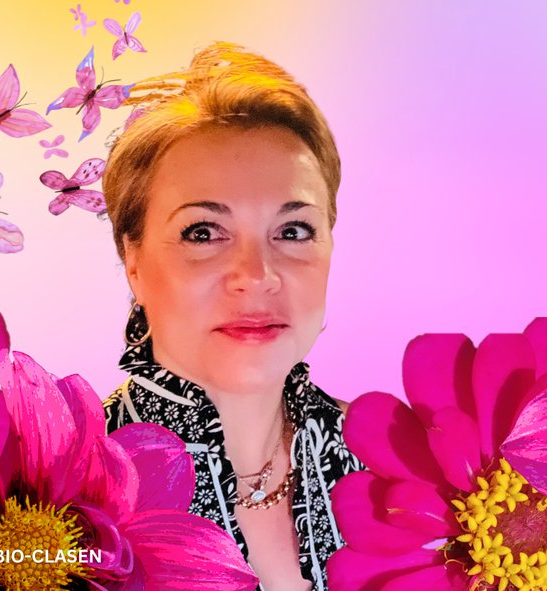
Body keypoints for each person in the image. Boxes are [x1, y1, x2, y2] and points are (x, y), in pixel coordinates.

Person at [102, 42, 363, 591]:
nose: (256, 274)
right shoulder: (55, 490)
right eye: (203, 233)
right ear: (133, 261)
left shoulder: (398, 467)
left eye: (293, 231)